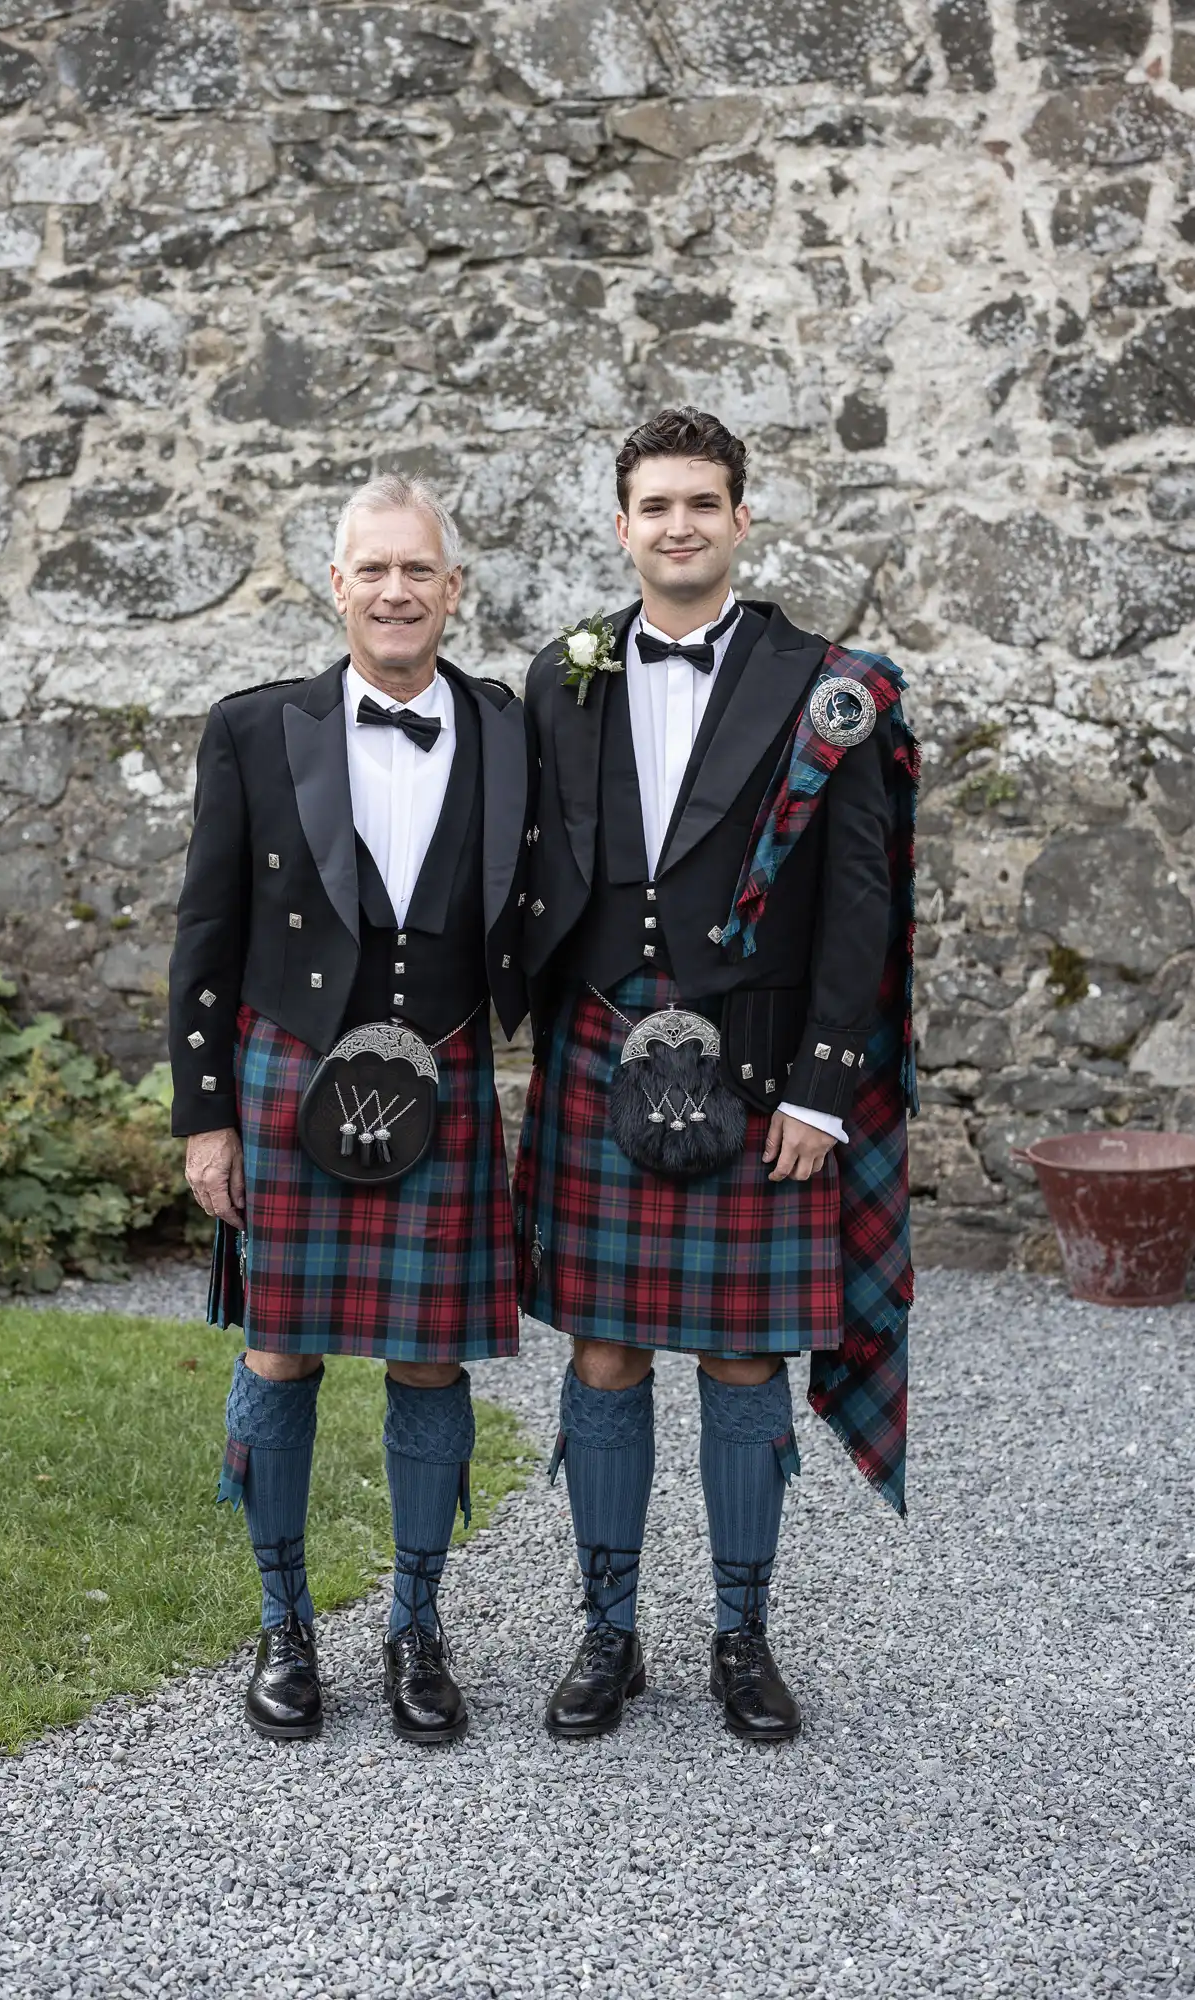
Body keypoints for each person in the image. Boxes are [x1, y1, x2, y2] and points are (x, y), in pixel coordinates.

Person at [514, 406, 919, 1743]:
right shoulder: (558, 674)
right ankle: (608, 1632)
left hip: (753, 1066)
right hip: (596, 1043)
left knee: (744, 1353)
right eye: (653, 505)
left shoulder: (822, 684)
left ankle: (742, 1637)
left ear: (743, 519)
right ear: (621, 524)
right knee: (609, 1345)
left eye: (702, 502)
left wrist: (819, 1085)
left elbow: (858, 903)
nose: (677, 525)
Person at [169, 473, 532, 1745]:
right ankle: (283, 1624)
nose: (394, 591)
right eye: (370, 569)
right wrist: (205, 1116)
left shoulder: (504, 725)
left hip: (441, 1073)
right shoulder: (255, 728)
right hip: (289, 1075)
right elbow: (205, 934)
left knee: (428, 1355)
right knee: (281, 1346)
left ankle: (417, 1627)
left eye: (416, 570)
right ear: (335, 584)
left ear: (451, 588)